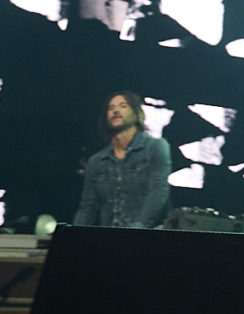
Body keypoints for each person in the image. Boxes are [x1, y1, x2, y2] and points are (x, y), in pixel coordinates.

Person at [72, 91, 172, 230]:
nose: (116, 111)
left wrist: (139, 226)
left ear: (136, 114)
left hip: (149, 234)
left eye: (123, 106)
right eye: (111, 108)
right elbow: (88, 207)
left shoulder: (155, 147)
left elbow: (159, 190)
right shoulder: (96, 161)